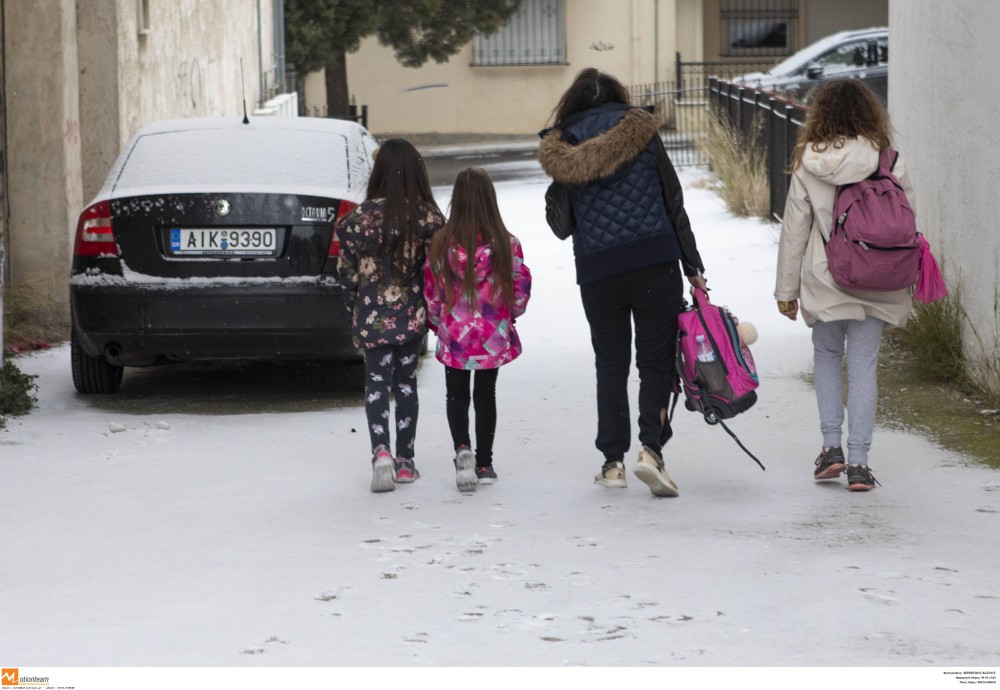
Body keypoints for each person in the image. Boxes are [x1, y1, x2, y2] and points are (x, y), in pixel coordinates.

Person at [538, 68, 706, 497]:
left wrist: (560, 187)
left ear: (573, 105)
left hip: (599, 271)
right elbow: (673, 202)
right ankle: (652, 449)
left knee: (610, 364)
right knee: (655, 362)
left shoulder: (562, 147)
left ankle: (612, 463)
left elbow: (561, 226)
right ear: (617, 98)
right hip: (655, 260)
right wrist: (694, 266)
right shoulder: (642, 130)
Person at [774, 79, 915, 491]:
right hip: (879, 279)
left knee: (827, 357)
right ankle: (858, 463)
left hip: (826, 277)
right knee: (864, 368)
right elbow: (908, 223)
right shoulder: (888, 158)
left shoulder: (808, 161)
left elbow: (794, 231)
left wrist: (786, 292)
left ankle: (831, 449)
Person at [337, 138, 446, 493]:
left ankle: (380, 453)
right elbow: (436, 271)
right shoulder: (428, 218)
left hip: (371, 315)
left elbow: (346, 273)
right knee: (405, 384)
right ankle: (405, 462)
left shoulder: (357, 220)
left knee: (376, 385)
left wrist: (356, 308)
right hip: (411, 316)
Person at [424, 168, 532, 493]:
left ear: (456, 200)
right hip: (491, 334)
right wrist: (509, 316)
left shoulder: (441, 244)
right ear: (490, 200)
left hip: (455, 334)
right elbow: (520, 287)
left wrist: (437, 321)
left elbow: (432, 290)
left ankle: (462, 450)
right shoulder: (506, 243)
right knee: (486, 395)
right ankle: (484, 463)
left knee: (456, 395)